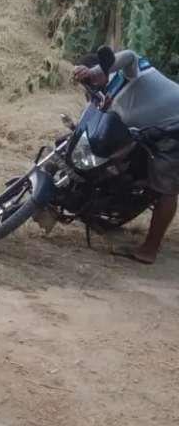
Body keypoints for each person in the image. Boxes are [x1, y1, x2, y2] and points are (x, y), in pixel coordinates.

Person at [72, 47, 179, 264]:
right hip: (156, 133)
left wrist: (95, 70)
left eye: (91, 80)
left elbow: (130, 55)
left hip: (175, 129)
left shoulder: (127, 74)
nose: (90, 88)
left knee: (165, 187)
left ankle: (149, 250)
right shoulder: (109, 99)